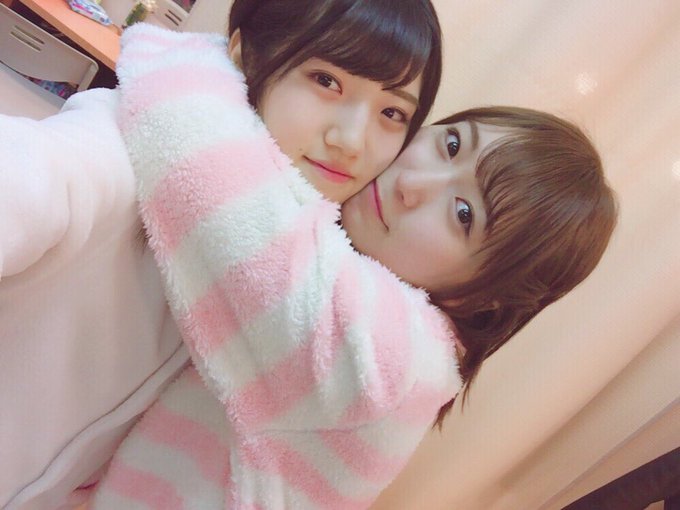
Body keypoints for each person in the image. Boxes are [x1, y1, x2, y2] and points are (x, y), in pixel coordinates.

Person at [88, 16, 617, 510]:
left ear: (484, 298)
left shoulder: (387, 358)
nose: (413, 184)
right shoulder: (362, 278)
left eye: (463, 214)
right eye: (451, 144)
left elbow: (205, 174)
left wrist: (173, 48)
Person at [0, 1, 442, 508]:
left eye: (392, 113)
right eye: (326, 81)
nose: (351, 140)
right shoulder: (120, 152)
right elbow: (33, 176)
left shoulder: (295, 281)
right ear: (245, 55)